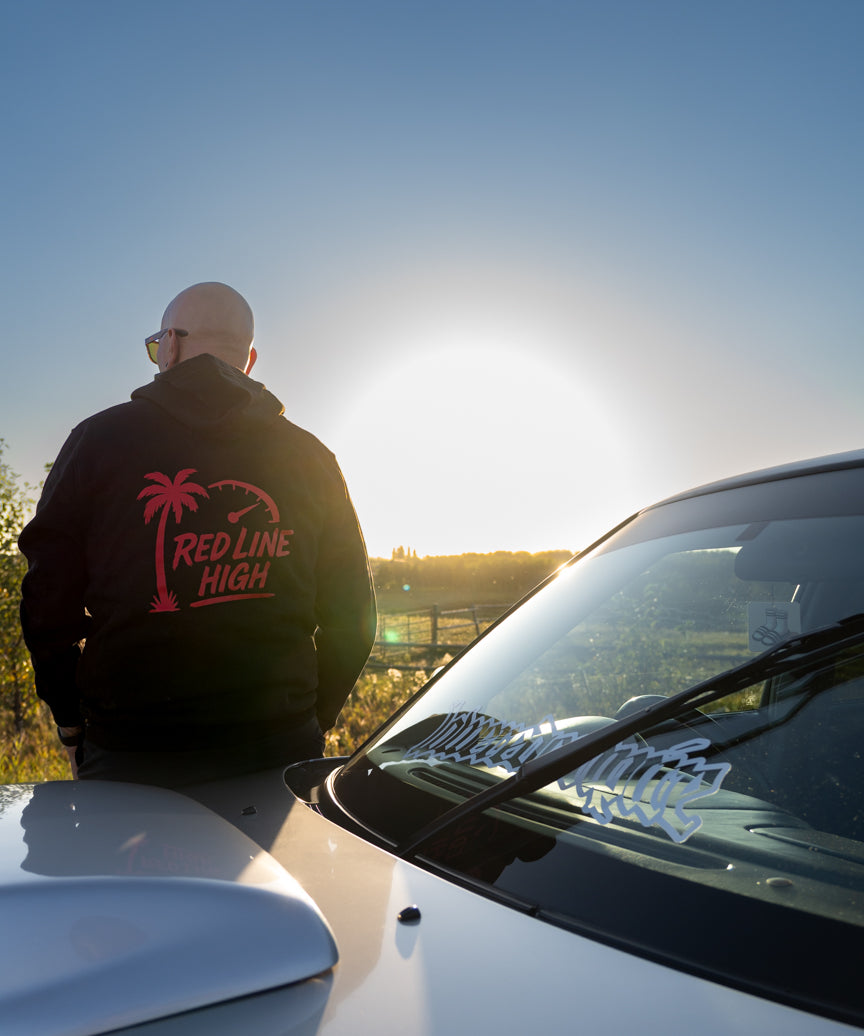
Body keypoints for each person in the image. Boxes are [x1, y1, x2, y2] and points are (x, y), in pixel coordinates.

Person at [19, 282, 376, 787]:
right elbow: (353, 615)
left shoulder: (97, 443)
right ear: (248, 360)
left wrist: (71, 722)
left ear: (169, 344)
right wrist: (311, 722)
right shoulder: (311, 458)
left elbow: (46, 605)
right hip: (279, 747)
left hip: (129, 752)